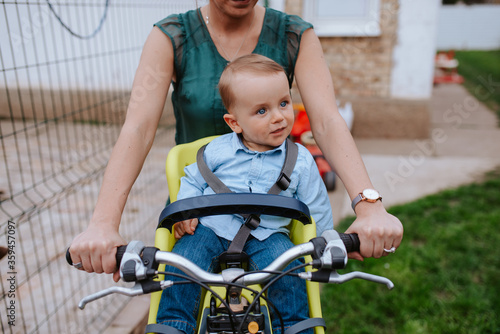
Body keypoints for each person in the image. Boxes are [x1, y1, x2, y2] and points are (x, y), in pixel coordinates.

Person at [69, 0, 402, 287]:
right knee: (180, 296)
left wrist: (369, 206)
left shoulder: (293, 34)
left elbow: (327, 121)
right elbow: (138, 128)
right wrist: (103, 223)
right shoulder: (173, 36)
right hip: (199, 215)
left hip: (270, 218)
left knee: (286, 296)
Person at [159, 53, 331, 334]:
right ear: (234, 123)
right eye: (262, 111)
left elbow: (316, 204)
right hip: (209, 230)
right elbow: (191, 177)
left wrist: (324, 244)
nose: (278, 117)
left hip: (268, 236)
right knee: (181, 268)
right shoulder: (218, 150)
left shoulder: (300, 160)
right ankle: (174, 326)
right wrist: (184, 210)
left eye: (284, 103)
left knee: (288, 276)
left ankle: (296, 327)